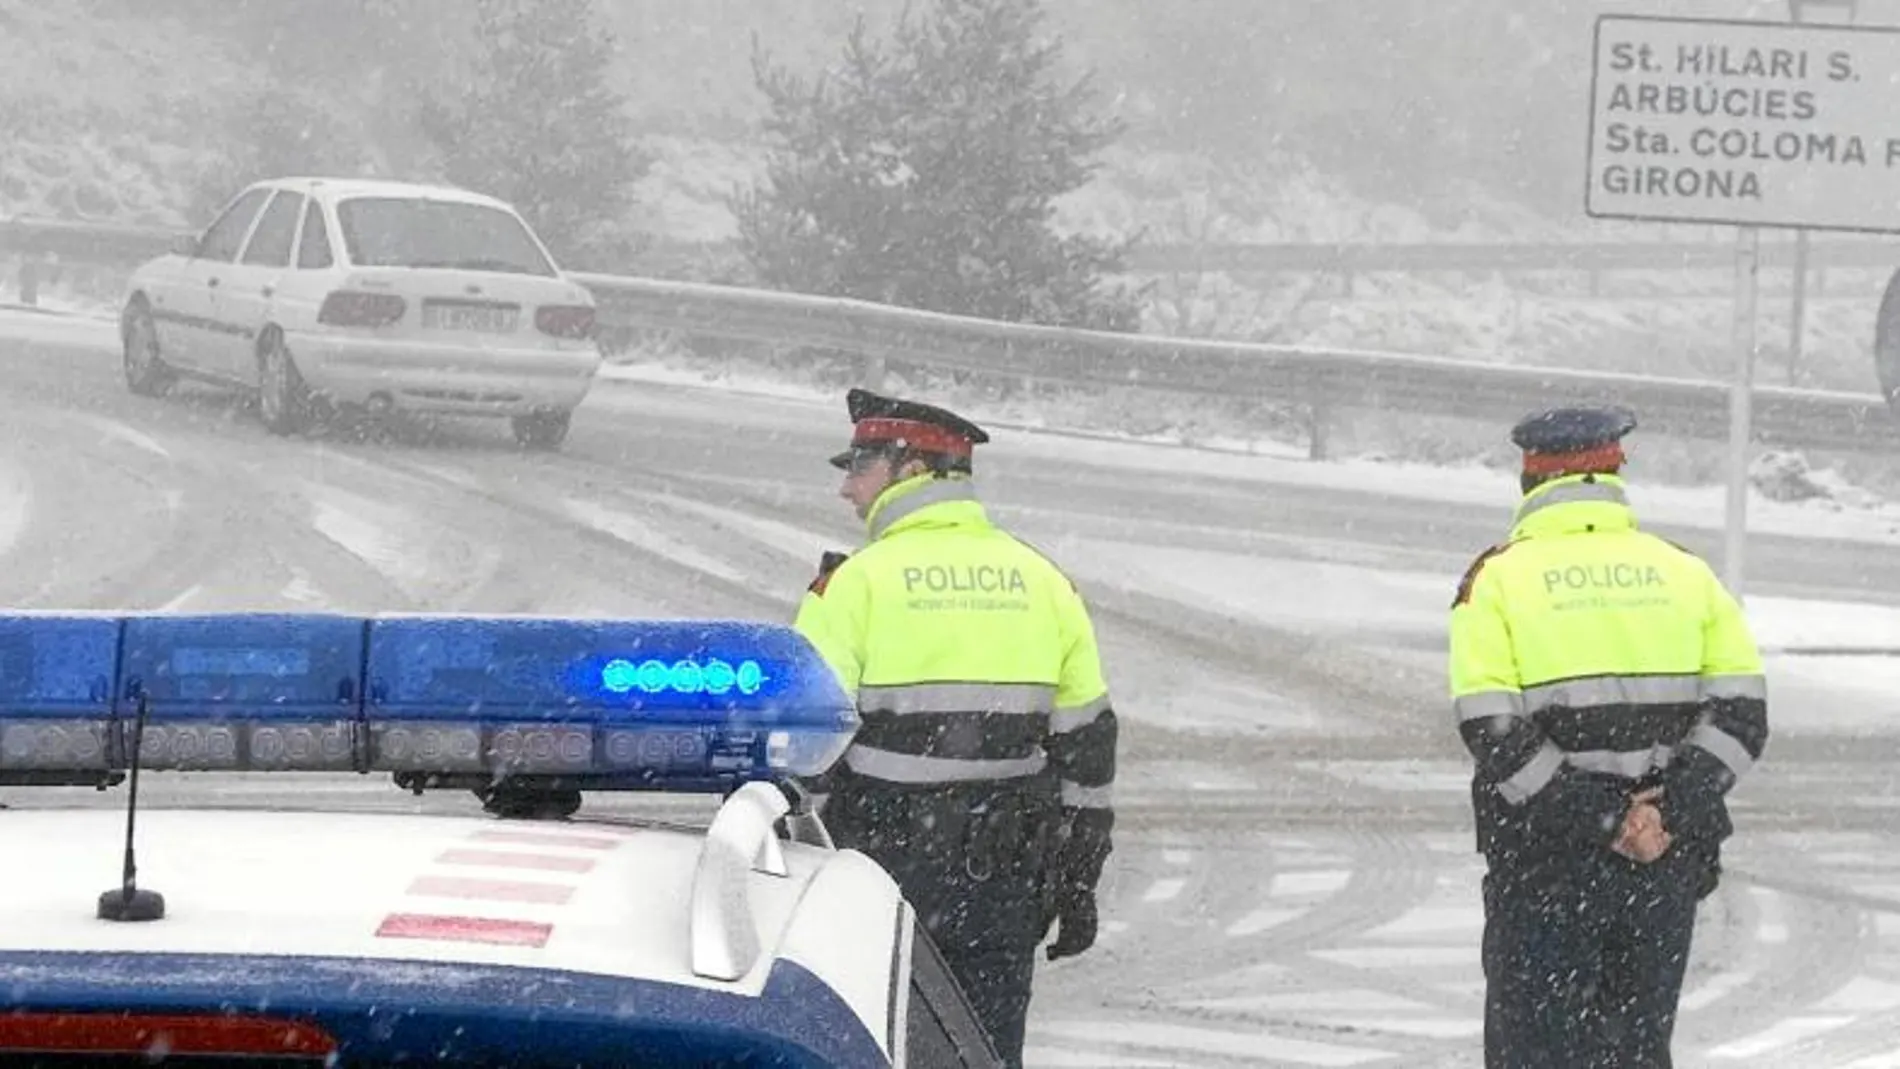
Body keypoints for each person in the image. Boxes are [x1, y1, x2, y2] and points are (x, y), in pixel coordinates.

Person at [793, 387, 1118, 1068]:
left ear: (911, 470)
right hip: (998, 879)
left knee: (869, 1047)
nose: (847, 490)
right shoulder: (1043, 579)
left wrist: (792, 861)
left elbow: (802, 743)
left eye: (858, 466)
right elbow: (1087, 748)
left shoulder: (857, 584)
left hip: (875, 873)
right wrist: (1078, 879)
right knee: (983, 1051)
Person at [1449, 404, 1768, 1068]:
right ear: (1615, 471)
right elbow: (1741, 715)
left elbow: (1492, 726)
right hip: (1662, 866)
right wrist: (1664, 811)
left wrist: (1602, 816)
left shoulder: (1497, 578)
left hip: (1547, 866)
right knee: (1635, 1048)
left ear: (1531, 479)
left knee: (1537, 1052)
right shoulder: (1686, 572)